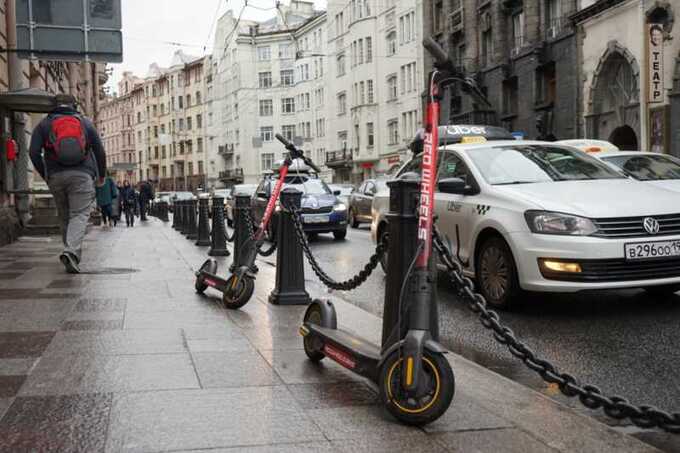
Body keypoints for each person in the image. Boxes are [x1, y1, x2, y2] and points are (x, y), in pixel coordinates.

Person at [29, 93, 106, 274]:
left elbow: (33, 152)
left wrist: (45, 174)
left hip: (55, 176)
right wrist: (101, 175)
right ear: (74, 105)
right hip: (82, 175)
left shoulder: (44, 124)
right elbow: (99, 151)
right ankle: (71, 251)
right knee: (79, 214)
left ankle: (69, 251)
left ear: (54, 105)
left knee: (64, 215)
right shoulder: (85, 123)